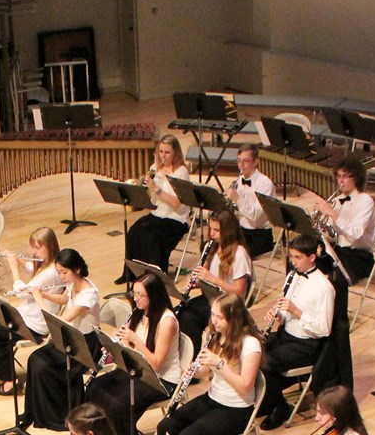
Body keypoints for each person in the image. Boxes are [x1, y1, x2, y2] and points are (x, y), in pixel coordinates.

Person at [154, 291, 263, 435]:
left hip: (237, 410)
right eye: (213, 315)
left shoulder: (250, 344)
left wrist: (219, 364)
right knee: (166, 425)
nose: (214, 321)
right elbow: (206, 373)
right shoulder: (214, 336)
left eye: (219, 317)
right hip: (213, 399)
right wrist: (194, 370)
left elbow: (245, 387)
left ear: (234, 318)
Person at [84, 271, 183, 435]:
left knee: (118, 403)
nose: (135, 298)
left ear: (153, 296)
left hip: (161, 380)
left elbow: (156, 364)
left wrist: (135, 340)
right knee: (95, 386)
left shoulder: (167, 321)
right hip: (137, 369)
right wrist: (114, 346)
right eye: (134, 293)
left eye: (140, 295)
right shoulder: (139, 312)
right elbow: (129, 347)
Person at [257, 233, 336, 429]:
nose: (293, 262)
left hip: (306, 344)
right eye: (292, 256)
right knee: (252, 349)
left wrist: (296, 311)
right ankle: (265, 400)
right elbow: (285, 310)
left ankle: (280, 406)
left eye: (298, 257)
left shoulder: (324, 287)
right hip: (285, 334)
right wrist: (278, 314)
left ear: (312, 257)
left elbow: (324, 329)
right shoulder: (292, 276)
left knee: (265, 362)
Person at [0, 227, 61, 388]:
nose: (34, 252)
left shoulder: (52, 272)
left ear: (50, 246)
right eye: (33, 247)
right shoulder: (44, 264)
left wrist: (14, 268)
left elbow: (22, 293)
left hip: (36, 323)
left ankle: (10, 380)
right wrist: (18, 260)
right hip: (26, 314)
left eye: (37, 248)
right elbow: (31, 268)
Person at [22, 248, 100, 429]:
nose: (61, 277)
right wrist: (42, 293)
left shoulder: (88, 294)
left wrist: (39, 300)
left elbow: (59, 322)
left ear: (77, 269)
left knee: (43, 364)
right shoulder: (73, 282)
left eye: (64, 272)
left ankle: (56, 415)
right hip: (72, 338)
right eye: (59, 273)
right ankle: (35, 412)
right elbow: (63, 299)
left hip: (85, 345)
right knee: (35, 358)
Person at [117, 134, 191, 285]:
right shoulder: (154, 168)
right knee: (134, 232)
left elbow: (177, 203)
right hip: (158, 213)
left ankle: (155, 278)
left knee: (154, 237)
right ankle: (131, 274)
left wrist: (156, 188)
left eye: (167, 152)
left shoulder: (181, 172)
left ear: (175, 153)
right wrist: (144, 188)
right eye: (161, 152)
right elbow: (152, 200)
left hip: (176, 218)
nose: (163, 156)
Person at [175, 208, 252, 347]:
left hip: (229, 304)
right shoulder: (210, 247)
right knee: (180, 312)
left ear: (228, 231)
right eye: (210, 228)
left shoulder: (239, 254)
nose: (211, 234)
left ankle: (194, 354)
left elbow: (239, 292)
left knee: (190, 318)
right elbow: (205, 278)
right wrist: (197, 282)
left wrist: (212, 279)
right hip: (211, 297)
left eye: (217, 230)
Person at [300, 158, 375, 287]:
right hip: (337, 252)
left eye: (345, 176)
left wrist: (332, 213)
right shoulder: (337, 200)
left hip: (359, 256)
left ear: (356, 178)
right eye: (338, 176)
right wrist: (319, 228)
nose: (340, 181)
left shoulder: (366, 201)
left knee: (334, 282)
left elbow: (355, 233)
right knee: (302, 265)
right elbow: (332, 233)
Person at [225, 143, 276, 259]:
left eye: (245, 161)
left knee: (235, 255)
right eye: (239, 161)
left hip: (259, 235)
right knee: (213, 246)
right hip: (242, 231)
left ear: (255, 161)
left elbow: (256, 216)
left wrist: (237, 198)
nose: (241, 165)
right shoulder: (238, 180)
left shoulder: (265, 184)